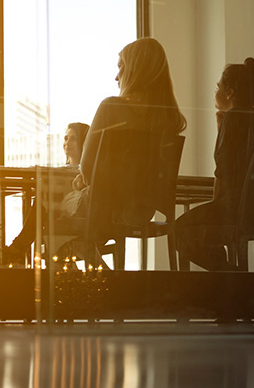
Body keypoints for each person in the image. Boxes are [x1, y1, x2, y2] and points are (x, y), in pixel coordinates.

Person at [52, 37, 187, 262]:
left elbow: (87, 168)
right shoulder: (169, 119)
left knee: (48, 209)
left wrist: (80, 182)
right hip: (140, 213)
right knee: (78, 235)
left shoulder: (112, 107)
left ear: (135, 70)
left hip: (103, 208)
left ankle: (44, 262)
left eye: (121, 67)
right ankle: (87, 255)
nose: (117, 76)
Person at [175, 58, 254, 271]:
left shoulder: (233, 118)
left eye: (218, 87)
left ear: (230, 92)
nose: (215, 92)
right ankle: (226, 276)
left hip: (238, 212)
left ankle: (228, 274)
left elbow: (223, 173)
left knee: (178, 230)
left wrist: (214, 207)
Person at [0, 122, 90, 265]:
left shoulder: (87, 173)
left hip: (74, 218)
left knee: (44, 196)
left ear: (84, 142)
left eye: (73, 138)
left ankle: (19, 248)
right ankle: (20, 248)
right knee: (44, 196)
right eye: (66, 138)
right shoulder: (62, 170)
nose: (67, 142)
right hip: (56, 215)